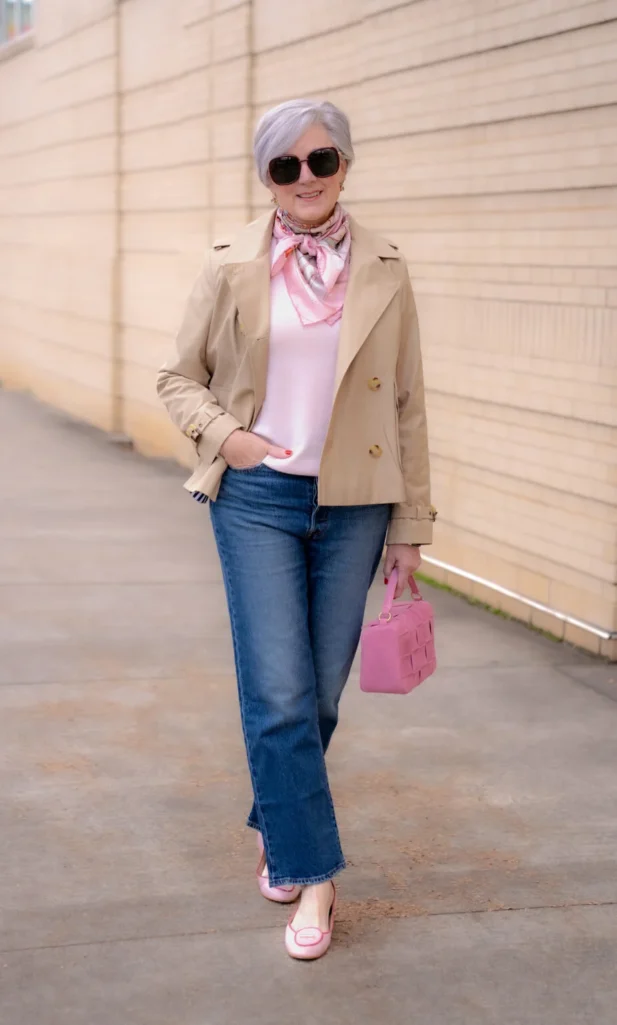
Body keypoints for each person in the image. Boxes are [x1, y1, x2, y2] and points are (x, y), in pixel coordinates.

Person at [157, 98, 435, 960]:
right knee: (278, 693)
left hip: (356, 503)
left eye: (321, 160)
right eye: (285, 165)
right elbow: (177, 378)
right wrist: (229, 439)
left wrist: (409, 524)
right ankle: (314, 877)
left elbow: (407, 402)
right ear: (266, 177)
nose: (305, 178)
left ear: (345, 164)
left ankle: (276, 820)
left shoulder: (385, 267)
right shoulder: (230, 265)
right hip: (257, 500)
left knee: (315, 698)